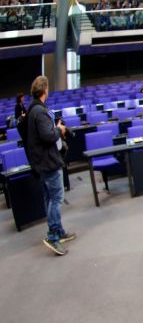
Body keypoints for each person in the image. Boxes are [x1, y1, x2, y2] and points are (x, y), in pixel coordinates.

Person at [26, 76, 75, 256]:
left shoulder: (33, 110)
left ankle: (58, 230)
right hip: (48, 161)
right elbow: (48, 136)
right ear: (45, 90)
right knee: (56, 198)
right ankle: (53, 236)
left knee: (49, 198)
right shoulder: (39, 111)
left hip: (42, 162)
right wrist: (59, 130)